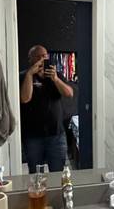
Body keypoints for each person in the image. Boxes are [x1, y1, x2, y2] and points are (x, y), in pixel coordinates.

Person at [19, 44, 74, 173]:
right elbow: (25, 98)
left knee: (58, 173)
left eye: (44, 56)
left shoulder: (56, 75)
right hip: (32, 137)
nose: (42, 59)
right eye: (38, 56)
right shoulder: (23, 76)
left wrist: (55, 79)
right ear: (30, 59)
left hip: (56, 135)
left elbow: (69, 94)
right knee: (36, 174)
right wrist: (30, 74)